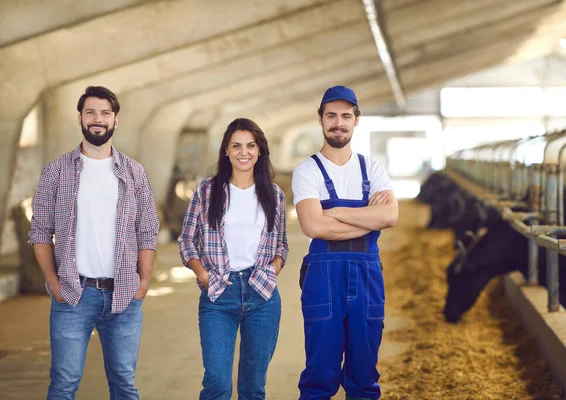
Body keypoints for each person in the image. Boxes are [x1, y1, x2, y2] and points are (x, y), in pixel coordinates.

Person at [28, 86, 160, 400]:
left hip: (125, 295)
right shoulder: (56, 171)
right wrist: (52, 281)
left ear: (116, 120)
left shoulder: (134, 172)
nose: (97, 119)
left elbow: (147, 230)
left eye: (104, 113)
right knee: (63, 385)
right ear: (80, 118)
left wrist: (143, 281)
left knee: (124, 385)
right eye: (90, 112)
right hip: (74, 294)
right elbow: (40, 231)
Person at [292, 85, 398, 400]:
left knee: (364, 375)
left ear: (356, 120)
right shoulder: (306, 170)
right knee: (319, 374)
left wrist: (335, 213)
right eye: (331, 116)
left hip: (368, 277)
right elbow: (312, 225)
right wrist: (368, 216)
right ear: (320, 119)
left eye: (346, 116)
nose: (339, 123)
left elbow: (390, 215)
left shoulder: (373, 168)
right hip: (323, 279)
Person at [177, 118, 288, 400]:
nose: (244, 152)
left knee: (253, 387)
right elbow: (187, 240)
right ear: (226, 150)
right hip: (218, 295)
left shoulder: (274, 195)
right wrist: (202, 274)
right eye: (236, 145)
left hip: (261, 295)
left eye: (251, 145)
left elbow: (282, 245)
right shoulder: (207, 191)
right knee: (217, 383)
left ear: (260, 150)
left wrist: (273, 268)